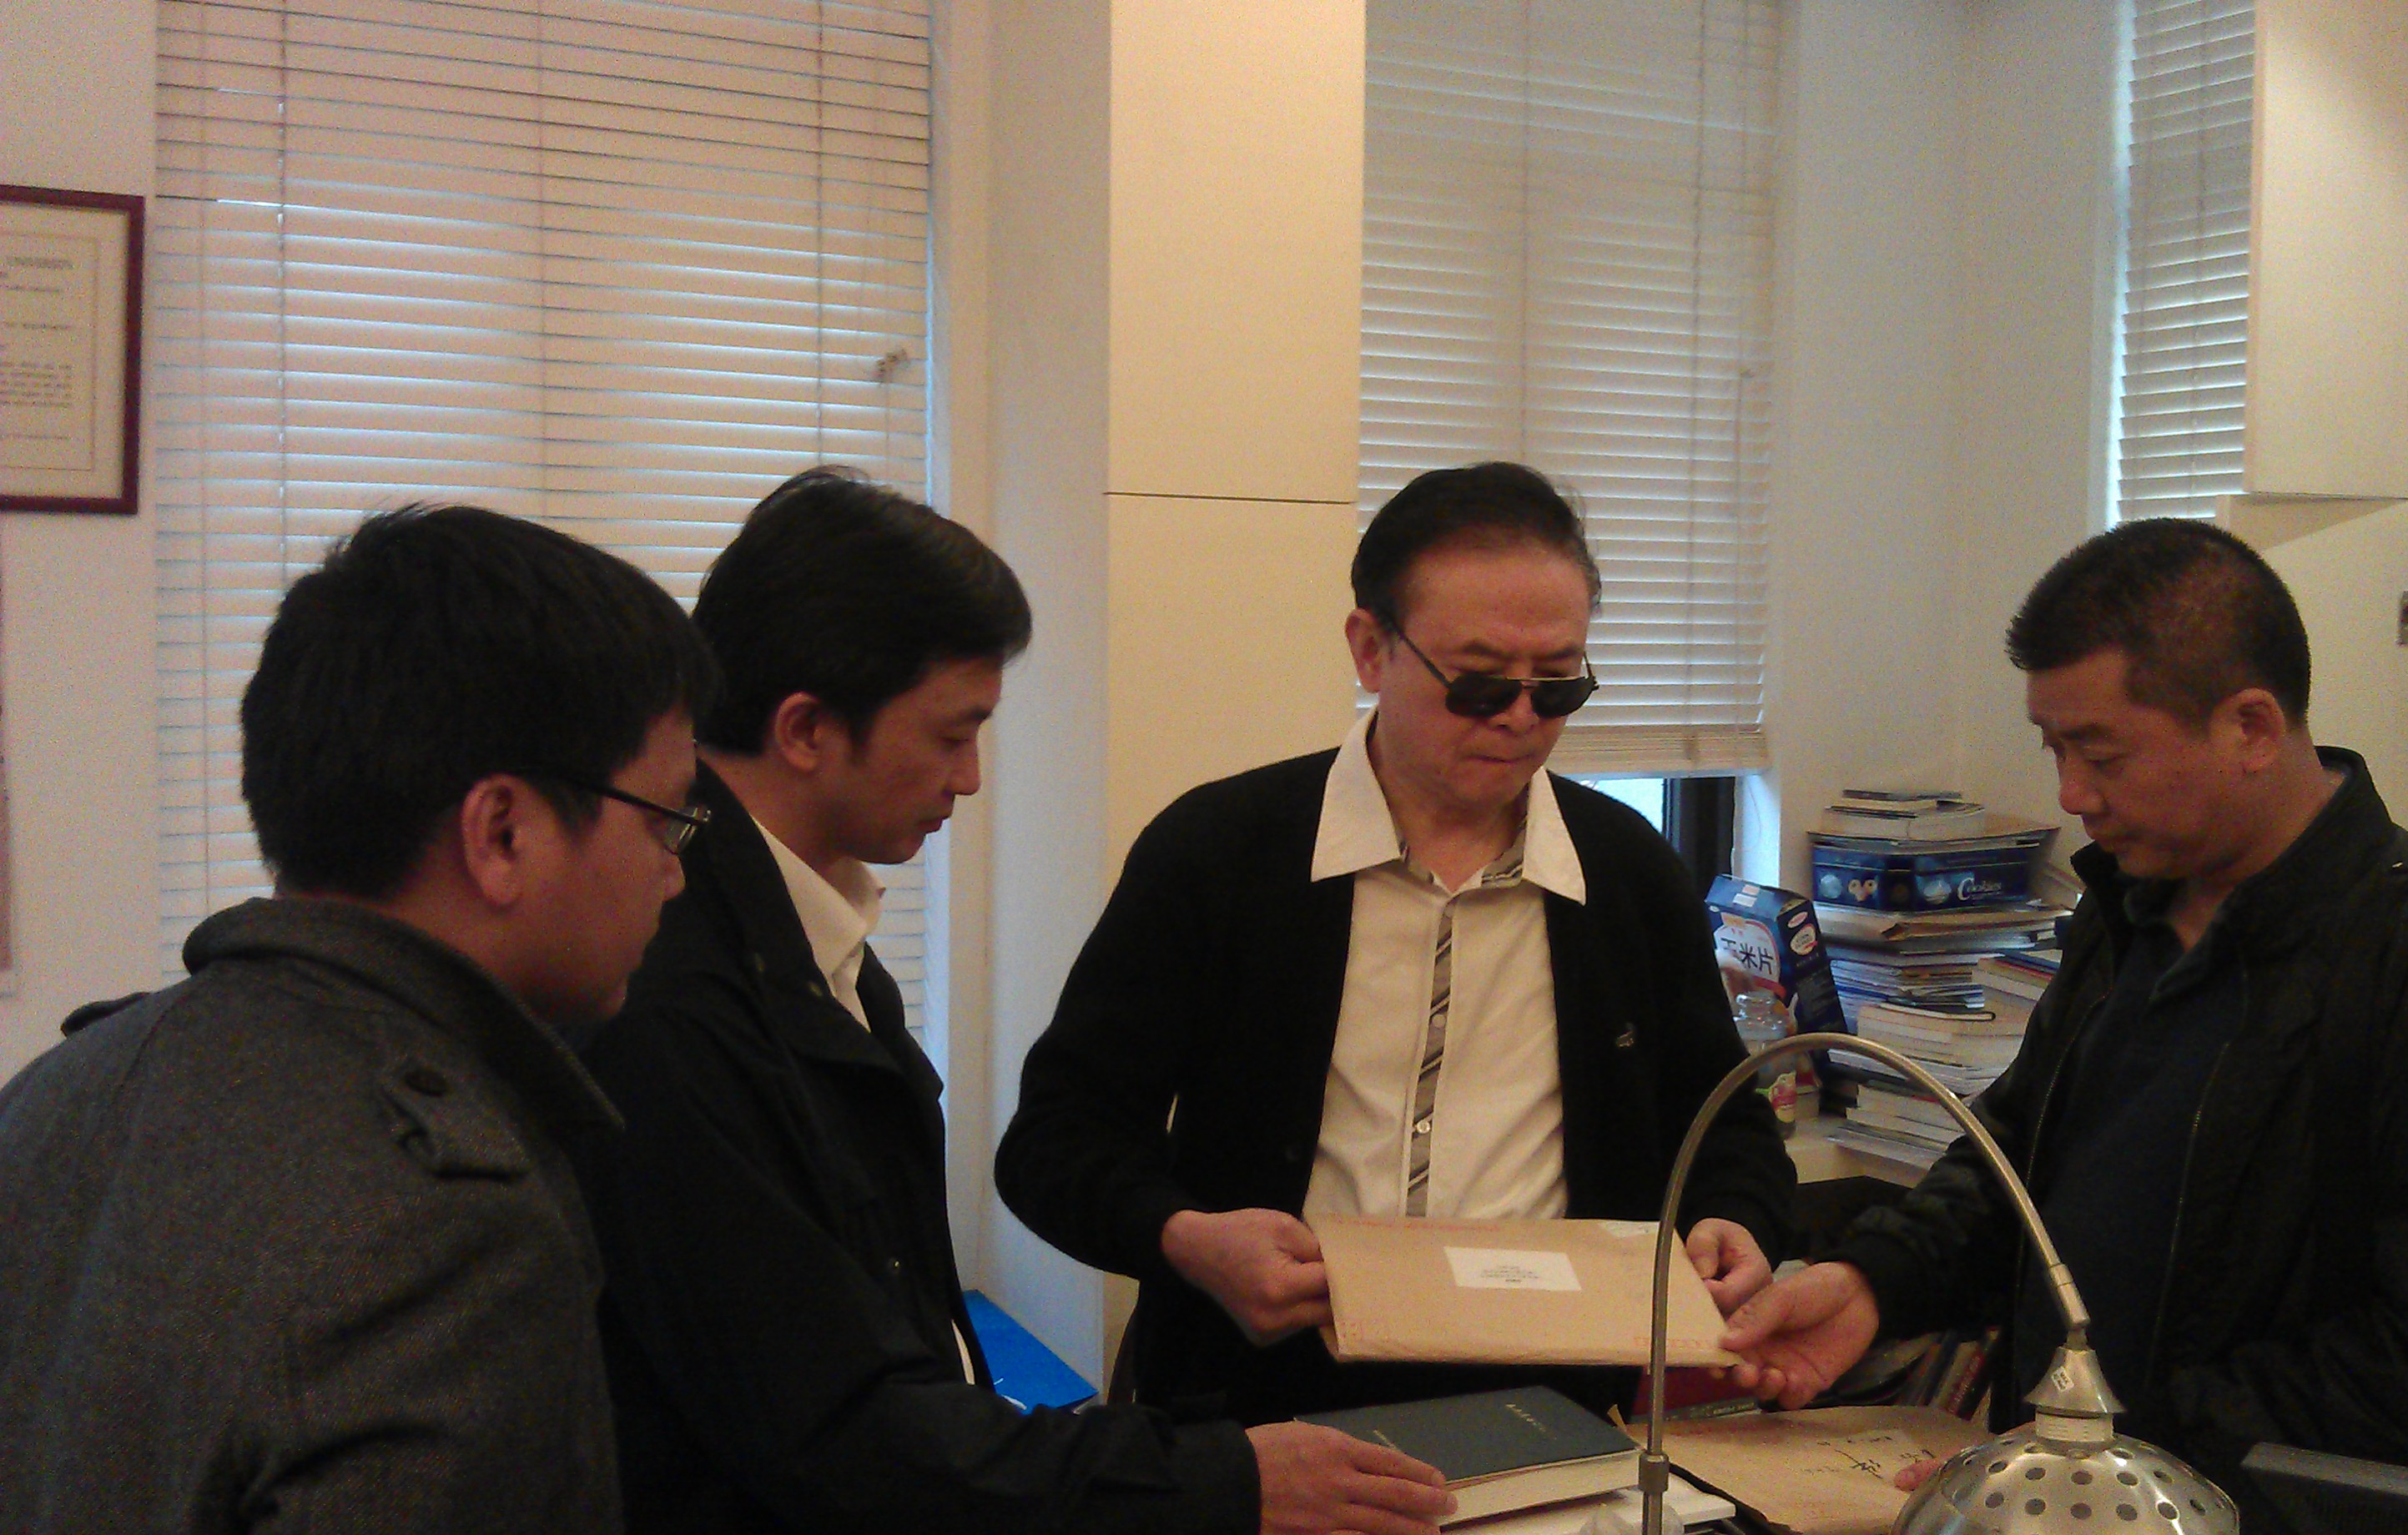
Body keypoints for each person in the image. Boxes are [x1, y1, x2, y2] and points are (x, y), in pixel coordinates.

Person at [566, 466, 1452, 1535]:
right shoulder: (673, 998)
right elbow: (834, 1426)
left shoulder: (807, 935)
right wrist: (1221, 1479)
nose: (973, 777)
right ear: (804, 729)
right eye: (952, 733)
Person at [1719, 518, 2408, 1494]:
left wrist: (2111, 1457)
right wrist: (1876, 1279)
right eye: (2055, 748)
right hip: (2080, 1496)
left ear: (2251, 728)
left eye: (2102, 755)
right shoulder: (2124, 910)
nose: (2070, 794)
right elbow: (2021, 1159)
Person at [995, 460, 1797, 1425]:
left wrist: (1735, 1218)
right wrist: (1184, 1237)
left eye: (1557, 684)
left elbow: (1726, 1125)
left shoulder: (1627, 871)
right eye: (1480, 680)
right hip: (1257, 1402)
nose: (1521, 717)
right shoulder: (1217, 853)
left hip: (1551, 1404)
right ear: (1371, 649)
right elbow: (1056, 1140)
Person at [0, 506, 715, 1533]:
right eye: (665, 822)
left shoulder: (55, 1091)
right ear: (502, 832)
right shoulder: (449, 1230)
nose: (675, 874)